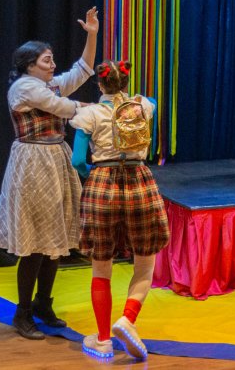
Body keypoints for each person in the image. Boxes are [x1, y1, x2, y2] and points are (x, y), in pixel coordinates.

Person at [0, 7, 99, 339]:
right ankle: (22, 313)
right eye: (47, 60)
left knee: (55, 239)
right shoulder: (25, 88)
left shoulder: (48, 85)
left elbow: (82, 71)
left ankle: (42, 304)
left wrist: (91, 35)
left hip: (55, 158)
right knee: (35, 243)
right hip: (33, 162)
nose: (52, 65)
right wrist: (98, 109)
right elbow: (63, 107)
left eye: (52, 60)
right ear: (29, 65)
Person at [70, 60, 169, 360]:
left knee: (101, 266)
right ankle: (128, 318)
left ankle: (103, 340)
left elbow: (77, 160)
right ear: (126, 83)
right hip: (139, 180)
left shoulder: (89, 114)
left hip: (103, 183)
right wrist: (131, 96)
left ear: (100, 85)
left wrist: (91, 174)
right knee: (145, 263)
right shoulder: (143, 106)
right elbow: (152, 100)